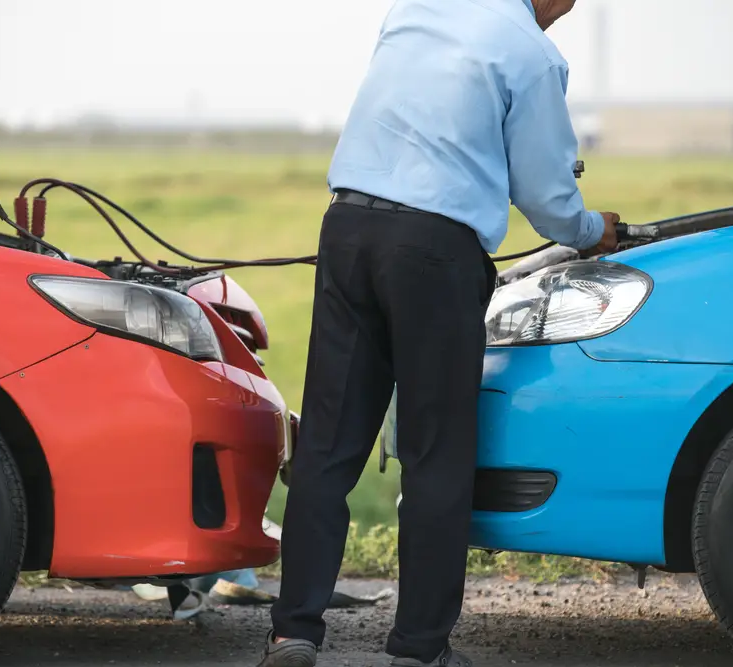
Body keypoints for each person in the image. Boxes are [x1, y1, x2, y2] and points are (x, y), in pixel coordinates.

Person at [257, 0, 619, 665]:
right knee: (436, 453)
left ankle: (295, 630)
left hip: (347, 229)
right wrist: (593, 230)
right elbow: (544, 194)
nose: (568, 11)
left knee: (329, 446)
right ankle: (419, 646)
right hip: (434, 249)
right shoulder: (532, 54)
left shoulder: (417, 8)